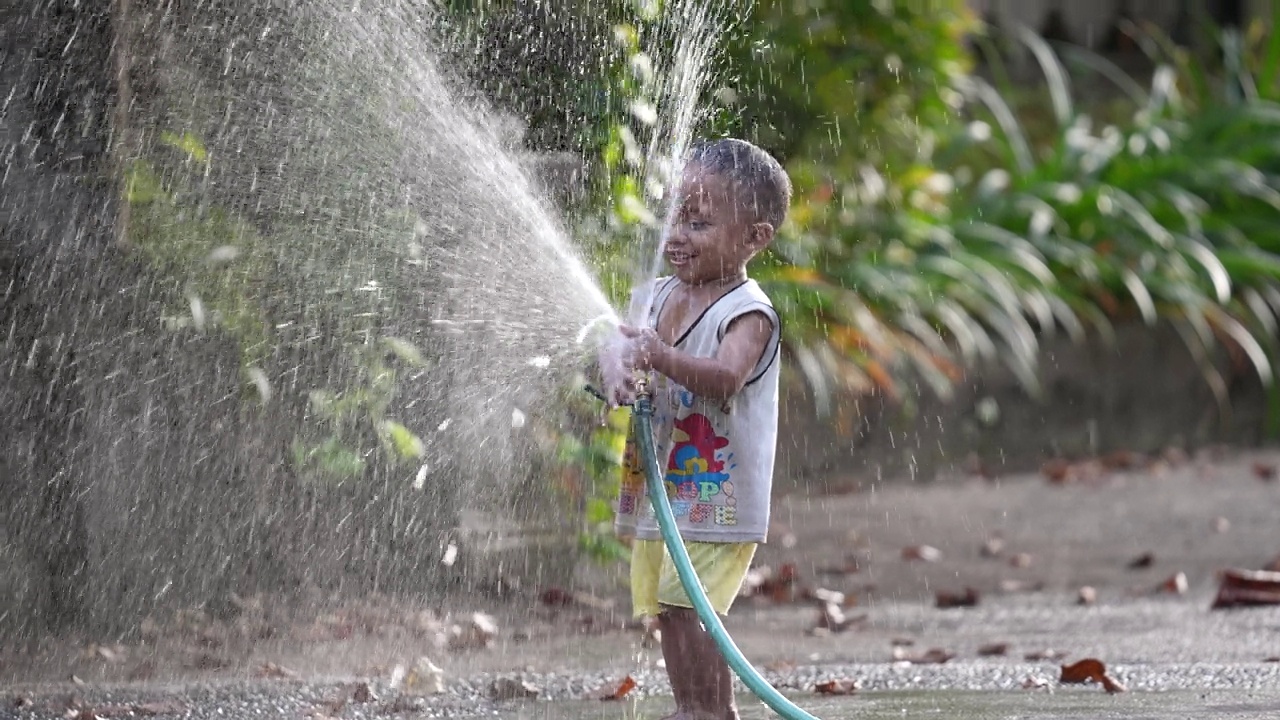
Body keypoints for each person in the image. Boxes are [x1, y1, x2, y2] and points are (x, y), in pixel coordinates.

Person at [609, 138, 790, 720]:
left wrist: (657, 356)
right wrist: (615, 374)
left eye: (699, 222)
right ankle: (694, 709)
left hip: (716, 493)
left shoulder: (748, 312)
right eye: (674, 217)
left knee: (692, 608)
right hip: (663, 492)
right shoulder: (657, 296)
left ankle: (712, 712)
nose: (677, 235)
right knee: (669, 608)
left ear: (755, 238)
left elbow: (724, 378)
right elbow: (617, 352)